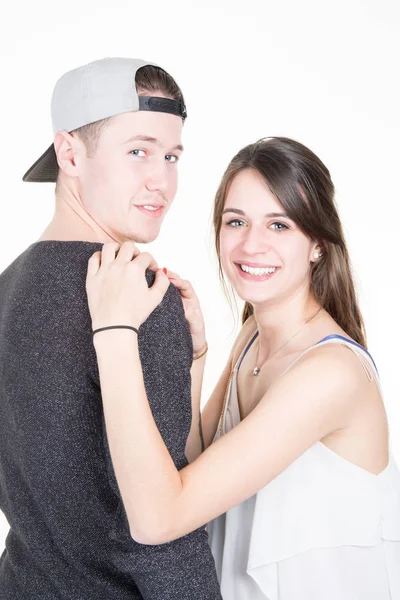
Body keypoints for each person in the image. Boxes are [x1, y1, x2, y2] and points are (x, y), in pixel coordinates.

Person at [85, 136, 400, 600]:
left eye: (279, 225)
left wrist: (114, 332)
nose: (251, 245)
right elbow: (194, 464)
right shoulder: (253, 334)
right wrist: (196, 358)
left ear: (317, 244)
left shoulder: (330, 373)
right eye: (236, 222)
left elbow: (159, 518)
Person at [0, 57, 222, 600]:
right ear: (69, 154)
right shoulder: (138, 298)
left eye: (171, 156)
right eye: (138, 151)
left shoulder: (6, 289)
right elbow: (164, 537)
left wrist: (190, 364)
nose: (162, 180)